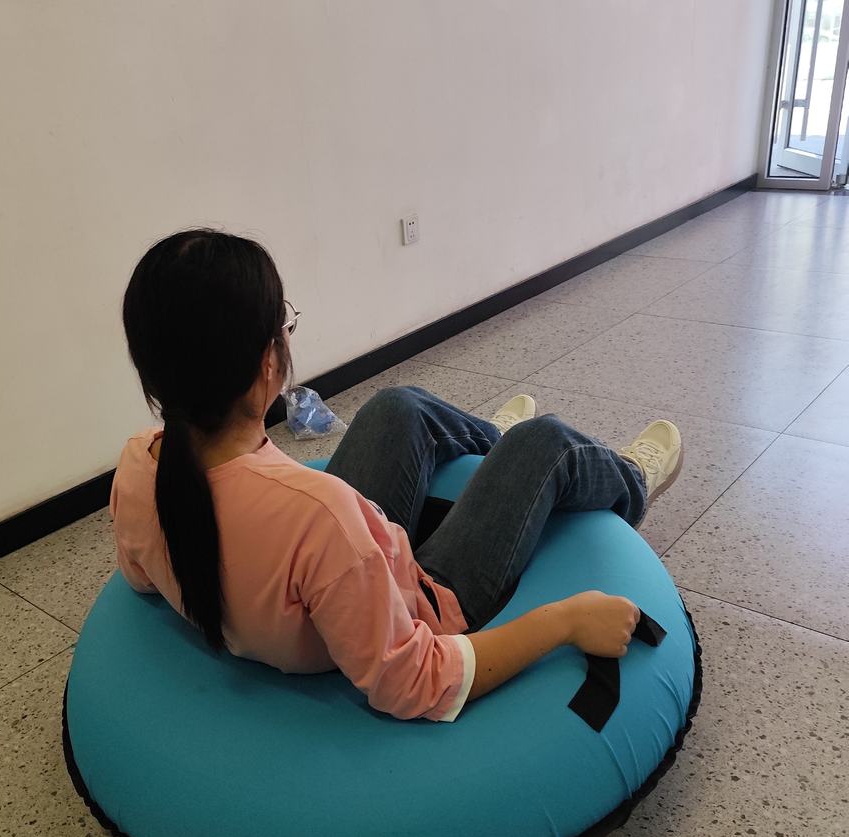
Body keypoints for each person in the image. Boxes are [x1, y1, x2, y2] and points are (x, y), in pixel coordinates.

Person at [110, 229, 684, 723]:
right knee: (546, 443)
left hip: (338, 560)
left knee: (398, 407)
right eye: (284, 324)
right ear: (267, 363)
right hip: (424, 599)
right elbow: (414, 682)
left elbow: (142, 577)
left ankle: (492, 444)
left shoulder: (139, 463)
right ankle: (632, 482)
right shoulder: (320, 518)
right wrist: (566, 620)